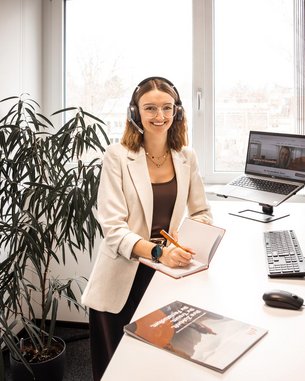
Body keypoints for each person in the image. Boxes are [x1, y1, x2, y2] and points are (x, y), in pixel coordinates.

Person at [81, 76, 212, 381]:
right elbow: (113, 229)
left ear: (177, 112)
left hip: (168, 273)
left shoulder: (186, 157)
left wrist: (184, 239)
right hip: (124, 273)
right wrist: (157, 251)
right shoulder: (117, 157)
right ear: (134, 113)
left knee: (161, 363)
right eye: (150, 108)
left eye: (167, 108)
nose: (160, 116)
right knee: (119, 367)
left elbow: (203, 213)